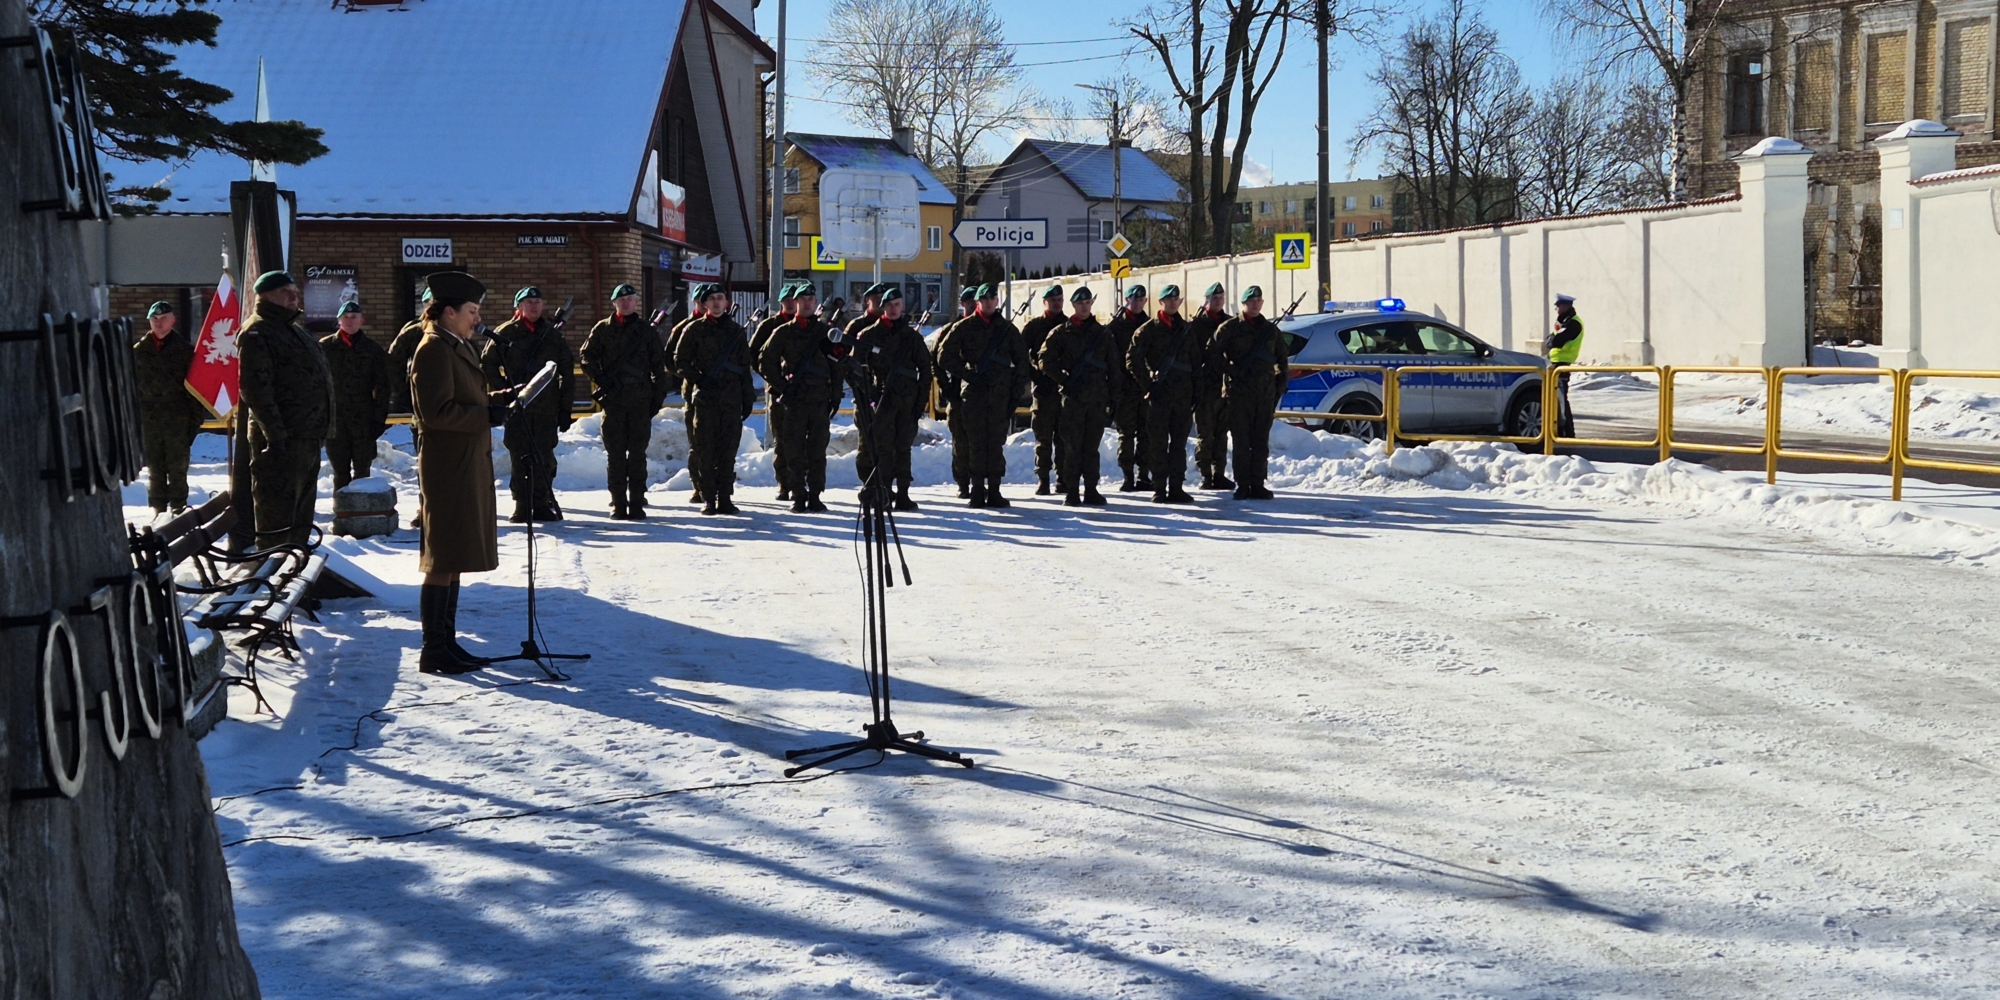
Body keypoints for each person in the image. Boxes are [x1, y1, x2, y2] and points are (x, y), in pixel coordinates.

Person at [408, 270, 516, 675]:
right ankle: (433, 648)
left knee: (451, 556)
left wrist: (496, 400)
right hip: (447, 466)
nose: (477, 318)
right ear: (449, 312)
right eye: (472, 311)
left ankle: (447, 642)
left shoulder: (455, 345)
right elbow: (437, 413)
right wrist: (486, 415)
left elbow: (462, 398)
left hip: (463, 462)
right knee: (441, 558)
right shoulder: (433, 349)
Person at [236, 271, 335, 548]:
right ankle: (274, 579)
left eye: (294, 291)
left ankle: (295, 571)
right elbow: (255, 388)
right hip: (281, 442)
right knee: (277, 521)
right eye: (285, 292)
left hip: (306, 437)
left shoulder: (292, 329)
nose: (294, 297)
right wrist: (275, 434)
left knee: (300, 518)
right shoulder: (259, 330)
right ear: (265, 296)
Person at [484, 286, 576, 522]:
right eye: (528, 302)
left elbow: (566, 370)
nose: (534, 306)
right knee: (519, 455)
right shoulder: (506, 333)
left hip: (547, 407)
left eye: (537, 301)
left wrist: (566, 407)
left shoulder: (553, 335)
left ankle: (541, 502)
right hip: (518, 405)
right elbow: (488, 363)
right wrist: (503, 389)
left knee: (544, 456)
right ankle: (522, 505)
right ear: (519, 306)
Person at [934, 283, 1030, 508]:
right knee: (975, 443)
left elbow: (1023, 363)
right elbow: (943, 356)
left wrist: (1014, 394)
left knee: (995, 443)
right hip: (974, 395)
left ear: (997, 301)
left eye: (992, 298)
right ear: (978, 302)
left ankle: (994, 489)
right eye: (984, 299)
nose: (988, 302)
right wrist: (967, 373)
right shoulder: (964, 327)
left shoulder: (1007, 329)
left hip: (999, 396)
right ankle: (977, 489)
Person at [580, 282, 666, 520]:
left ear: (636, 302)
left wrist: (656, 400)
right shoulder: (602, 329)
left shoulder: (646, 331)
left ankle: (637, 503)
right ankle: (618, 503)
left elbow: (659, 367)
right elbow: (586, 357)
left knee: (638, 455)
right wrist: (601, 379)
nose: (626, 303)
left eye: (630, 299)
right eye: (621, 299)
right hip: (614, 401)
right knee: (615, 456)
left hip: (640, 401)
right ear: (615, 303)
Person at [674, 283, 758, 516]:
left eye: (721, 298)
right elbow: (680, 362)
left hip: (731, 399)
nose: (717, 302)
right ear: (705, 303)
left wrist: (747, 398)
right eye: (712, 299)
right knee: (706, 449)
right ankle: (709, 498)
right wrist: (699, 379)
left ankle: (725, 498)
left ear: (726, 303)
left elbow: (744, 367)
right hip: (705, 400)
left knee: (728, 450)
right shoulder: (693, 330)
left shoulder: (736, 331)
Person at [847, 286, 933, 511]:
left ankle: (903, 493)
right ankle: (883, 491)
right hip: (881, 401)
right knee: (882, 448)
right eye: (889, 305)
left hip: (906, 401)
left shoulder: (912, 338)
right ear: (882, 307)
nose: (893, 309)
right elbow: (854, 370)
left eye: (897, 305)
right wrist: (871, 397)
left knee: (903, 447)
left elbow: (925, 370)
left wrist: (920, 402)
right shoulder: (868, 335)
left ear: (902, 306)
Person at [759, 284, 840, 512]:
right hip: (794, 400)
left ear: (815, 303)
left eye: (810, 299)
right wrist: (783, 386)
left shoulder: (825, 332)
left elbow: (837, 365)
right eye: (802, 299)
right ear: (794, 303)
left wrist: (835, 396)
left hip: (819, 399)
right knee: (793, 449)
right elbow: (766, 361)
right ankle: (797, 494)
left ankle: (815, 494)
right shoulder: (783, 332)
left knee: (817, 449)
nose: (806, 303)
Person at [1036, 286, 1118, 507]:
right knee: (1071, 447)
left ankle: (1091, 489)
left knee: (1091, 448)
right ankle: (1071, 490)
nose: (1084, 306)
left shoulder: (1103, 334)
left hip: (1097, 400)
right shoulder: (1061, 333)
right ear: (1073, 305)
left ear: (1091, 304)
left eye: (1087, 302)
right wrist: (1063, 380)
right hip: (1072, 400)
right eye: (1080, 303)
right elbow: (1044, 360)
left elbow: (1114, 369)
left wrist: (1114, 401)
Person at [1207, 285, 1288, 500]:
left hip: (1265, 395)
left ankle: (1258, 483)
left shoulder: (1270, 331)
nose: (1255, 304)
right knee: (1241, 441)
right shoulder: (1229, 328)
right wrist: (1232, 372)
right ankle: (1242, 484)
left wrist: (1277, 389)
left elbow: (1282, 361)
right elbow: (1213, 354)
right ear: (1244, 303)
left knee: (1260, 441)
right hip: (1238, 395)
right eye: (1251, 301)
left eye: (1259, 301)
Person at [131, 301, 207, 514]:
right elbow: (130, 388)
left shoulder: (185, 352)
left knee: (177, 469)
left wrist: (194, 421)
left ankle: (178, 510)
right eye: (154, 319)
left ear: (172, 321)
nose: (159, 323)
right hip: (149, 417)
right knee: (154, 469)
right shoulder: (138, 351)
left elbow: (194, 392)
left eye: (163, 318)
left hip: (177, 417)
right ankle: (157, 511)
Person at [1128, 284, 1198, 504]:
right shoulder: (1148, 330)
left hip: (1183, 396)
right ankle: (1159, 488)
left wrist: (1197, 394)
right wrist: (1148, 385)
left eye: (1176, 299)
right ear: (1161, 302)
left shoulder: (1187, 329)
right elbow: (1132, 360)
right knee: (1157, 443)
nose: (1173, 303)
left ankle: (1176, 487)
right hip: (1159, 396)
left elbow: (1196, 364)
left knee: (1178, 444)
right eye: (1169, 299)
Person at [319, 301, 394, 491]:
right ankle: (342, 513)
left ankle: (360, 514)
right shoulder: (325, 347)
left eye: (354, 317)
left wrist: (379, 420)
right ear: (338, 320)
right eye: (345, 317)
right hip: (335, 420)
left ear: (362, 320)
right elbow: (315, 384)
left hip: (364, 419)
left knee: (362, 471)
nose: (349, 321)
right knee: (340, 472)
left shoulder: (373, 350)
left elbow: (383, 388)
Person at [751, 286, 800, 501]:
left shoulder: (807, 326)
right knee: (781, 438)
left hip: (804, 392)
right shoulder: (770, 326)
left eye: (793, 299)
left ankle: (800, 480)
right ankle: (784, 483)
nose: (790, 303)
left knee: (803, 439)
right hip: (779, 391)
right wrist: (772, 377)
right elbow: (754, 355)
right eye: (786, 299)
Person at [388, 287, 431, 526]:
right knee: (425, 461)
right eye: (429, 302)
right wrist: (403, 393)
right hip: (422, 409)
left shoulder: (454, 330)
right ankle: (425, 507)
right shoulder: (413, 332)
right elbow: (393, 362)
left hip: (452, 408)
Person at [1018, 285, 1066, 495]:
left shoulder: (1069, 325)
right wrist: (1035, 375)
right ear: (1045, 302)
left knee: (1064, 437)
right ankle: (1043, 479)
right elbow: (1020, 356)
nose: (1056, 302)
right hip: (1043, 390)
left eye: (1059, 299)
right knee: (1043, 438)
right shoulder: (1034, 327)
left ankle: (1063, 478)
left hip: (1066, 390)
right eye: (1052, 299)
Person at [1105, 284, 1152, 492]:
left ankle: (1144, 475)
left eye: (1141, 300)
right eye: (1134, 300)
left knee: (1146, 433)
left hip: (1145, 387)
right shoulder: (1115, 328)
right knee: (1126, 434)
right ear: (1126, 301)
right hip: (1124, 388)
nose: (1138, 303)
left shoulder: (1151, 325)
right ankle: (1128, 476)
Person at [1188, 282, 1234, 491]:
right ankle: (1206, 474)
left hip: (1223, 385)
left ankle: (1219, 473)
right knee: (1205, 434)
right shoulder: (1196, 326)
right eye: (1214, 298)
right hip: (1204, 387)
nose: (1218, 301)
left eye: (1221, 297)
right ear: (1207, 299)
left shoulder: (1229, 324)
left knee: (1221, 433)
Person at [662, 300, 708, 505]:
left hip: (723, 395)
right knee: (697, 442)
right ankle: (698, 486)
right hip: (694, 393)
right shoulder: (683, 329)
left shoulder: (725, 327)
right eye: (703, 301)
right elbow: (671, 360)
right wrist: (690, 375)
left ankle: (720, 484)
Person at [936, 285, 979, 498]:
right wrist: (946, 387)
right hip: (958, 394)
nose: (972, 305)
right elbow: (937, 361)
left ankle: (981, 481)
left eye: (975, 302)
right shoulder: (951, 330)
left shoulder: (985, 329)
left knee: (981, 441)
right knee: (961, 442)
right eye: (968, 302)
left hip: (980, 396)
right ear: (962, 304)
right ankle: (963, 483)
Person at [1546, 292, 1584, 438]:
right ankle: (1560, 431)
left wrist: (1552, 340)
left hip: (1562, 365)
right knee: (1555, 398)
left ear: (1566, 306)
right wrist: (1551, 340)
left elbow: (1555, 341)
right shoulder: (1563, 322)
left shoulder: (1574, 323)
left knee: (1561, 399)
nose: (1556, 309)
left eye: (1558, 306)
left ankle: (1568, 433)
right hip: (1554, 364)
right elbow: (1549, 340)